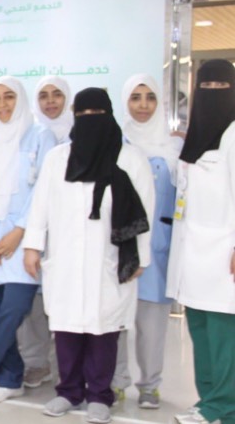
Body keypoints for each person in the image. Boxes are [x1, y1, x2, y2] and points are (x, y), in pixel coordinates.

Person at [22, 88, 154, 424]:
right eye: (83, 115)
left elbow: (146, 211)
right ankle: (68, 391)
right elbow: (40, 206)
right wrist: (32, 246)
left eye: (97, 115)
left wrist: (140, 257)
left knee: (103, 329)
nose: (90, 121)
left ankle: (99, 395)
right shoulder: (58, 158)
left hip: (109, 257)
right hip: (65, 256)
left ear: (109, 116)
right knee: (66, 327)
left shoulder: (130, 158)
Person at [0, 77, 57, 403]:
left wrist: (20, 232)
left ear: (21, 100)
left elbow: (44, 191)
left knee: (15, 307)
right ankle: (10, 379)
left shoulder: (41, 137)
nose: (3, 105)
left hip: (22, 240)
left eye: (10, 97)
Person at [167, 59, 235, 424]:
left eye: (221, 87)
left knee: (225, 337)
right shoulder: (194, 136)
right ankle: (208, 400)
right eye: (205, 87)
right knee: (200, 330)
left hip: (224, 255)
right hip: (192, 255)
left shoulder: (234, 135)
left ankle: (225, 408)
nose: (212, 94)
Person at [111, 74, 181, 409]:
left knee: (152, 324)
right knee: (116, 319)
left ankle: (150, 385)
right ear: (125, 102)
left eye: (150, 97)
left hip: (158, 247)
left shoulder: (174, 148)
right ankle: (116, 381)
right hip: (121, 246)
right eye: (135, 98)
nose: (143, 105)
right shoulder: (116, 144)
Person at [17, 75, 72, 388]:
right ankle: (36, 363)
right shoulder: (30, 134)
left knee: (65, 303)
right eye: (44, 96)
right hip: (36, 229)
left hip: (67, 231)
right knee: (34, 304)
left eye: (57, 95)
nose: (50, 101)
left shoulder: (79, 134)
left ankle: (65, 366)